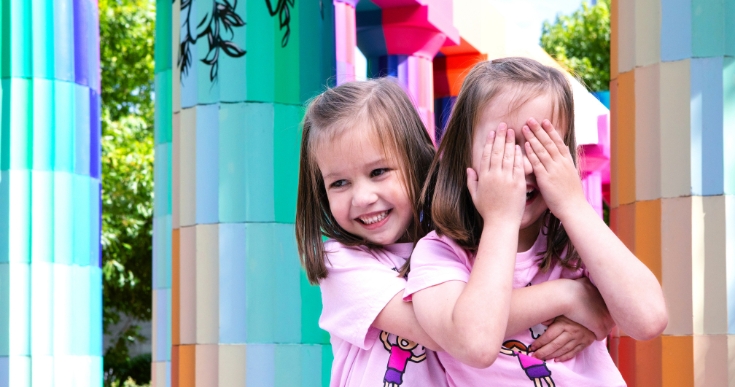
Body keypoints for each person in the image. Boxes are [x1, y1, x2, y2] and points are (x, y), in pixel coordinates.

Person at [295, 77, 609, 387]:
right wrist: (570, 297)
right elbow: (456, 332)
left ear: (416, 161)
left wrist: (602, 318)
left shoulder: (455, 245)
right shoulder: (342, 262)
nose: (362, 197)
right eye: (339, 183)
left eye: (378, 172)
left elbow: (483, 318)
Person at [405, 57, 668, 386]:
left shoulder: (576, 241)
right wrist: (502, 220)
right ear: (462, 154)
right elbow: (475, 343)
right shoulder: (439, 254)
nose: (524, 166)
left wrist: (573, 205)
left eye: (541, 146)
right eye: (503, 147)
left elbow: (649, 320)